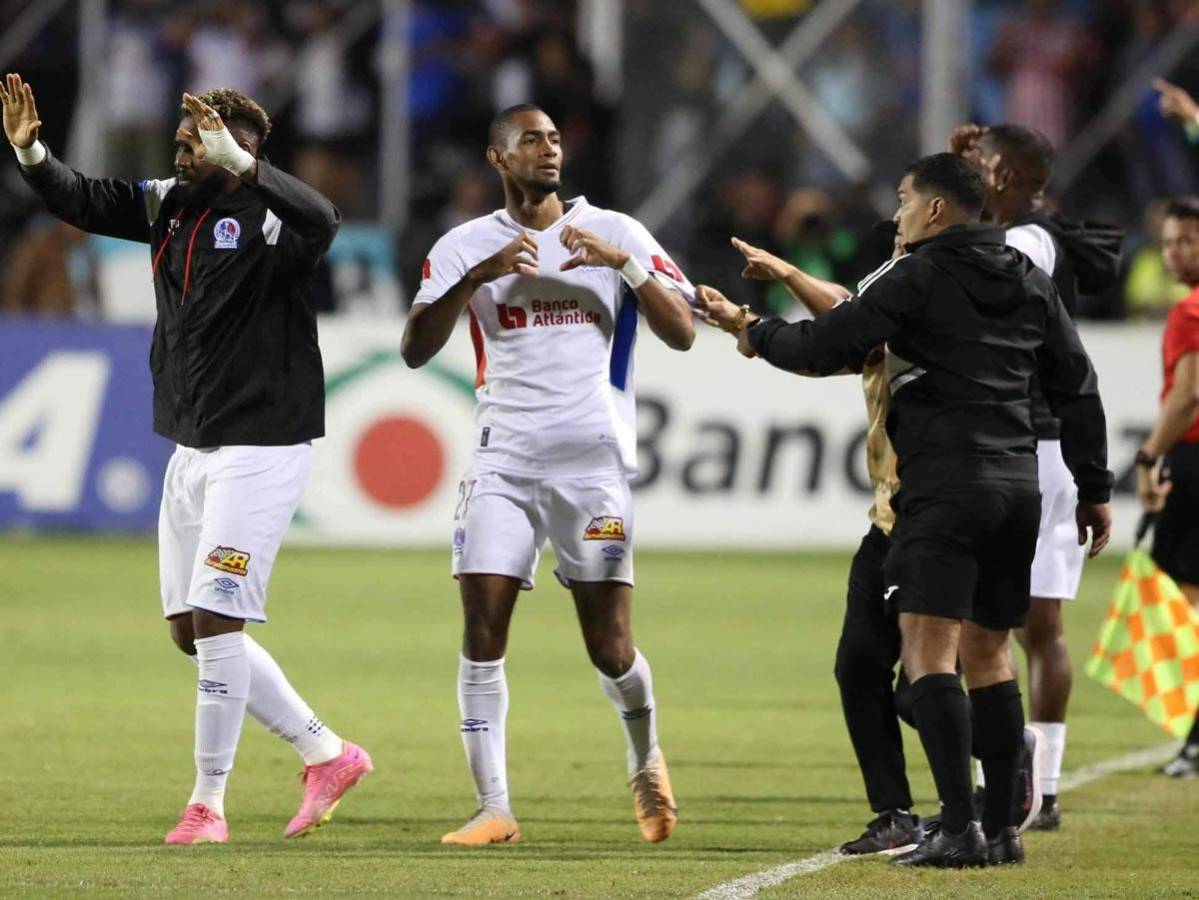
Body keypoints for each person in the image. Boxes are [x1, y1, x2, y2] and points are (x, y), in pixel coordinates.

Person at [698, 153, 1113, 868]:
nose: (897, 213)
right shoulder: (1026, 276)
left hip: (944, 485)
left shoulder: (916, 274)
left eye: (903, 199)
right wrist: (1095, 487)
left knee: (926, 656)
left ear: (935, 209)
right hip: (1018, 484)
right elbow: (1076, 383)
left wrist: (753, 330)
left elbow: (825, 344)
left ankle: (958, 827)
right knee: (990, 655)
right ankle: (1001, 830)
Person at [2, 73, 371, 845]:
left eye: (197, 144)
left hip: (260, 446)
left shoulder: (276, 217)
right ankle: (326, 753)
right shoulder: (168, 205)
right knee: (188, 629)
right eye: (180, 141)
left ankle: (208, 804)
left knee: (218, 619)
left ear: (237, 150)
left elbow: (325, 216)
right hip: (193, 443)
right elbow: (84, 199)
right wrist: (32, 152)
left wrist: (242, 166)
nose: (181, 153)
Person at [402, 104, 696, 846]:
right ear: (497, 158)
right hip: (502, 462)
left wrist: (622, 265)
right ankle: (493, 808)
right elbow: (414, 347)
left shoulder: (614, 231)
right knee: (481, 630)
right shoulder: (465, 244)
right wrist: (480, 275)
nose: (549, 149)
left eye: (555, 139)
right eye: (531, 140)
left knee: (610, 648)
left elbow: (683, 332)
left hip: (592, 467)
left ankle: (644, 759)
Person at [949, 122, 1123, 829]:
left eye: (983, 162)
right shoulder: (1035, 233)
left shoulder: (1025, 243)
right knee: (1035, 626)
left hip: (1023, 446)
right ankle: (1039, 789)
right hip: (1045, 449)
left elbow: (964, 279)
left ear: (1003, 175)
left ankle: (1012, 776)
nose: (975, 171)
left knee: (997, 626)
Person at [1136, 197, 1199, 778]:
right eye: (1169, 243)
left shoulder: (1190, 311)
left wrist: (1148, 455)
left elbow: (1187, 397)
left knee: (1186, 603)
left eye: (1187, 241)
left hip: (1194, 459)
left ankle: (1197, 739)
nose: (1175, 253)